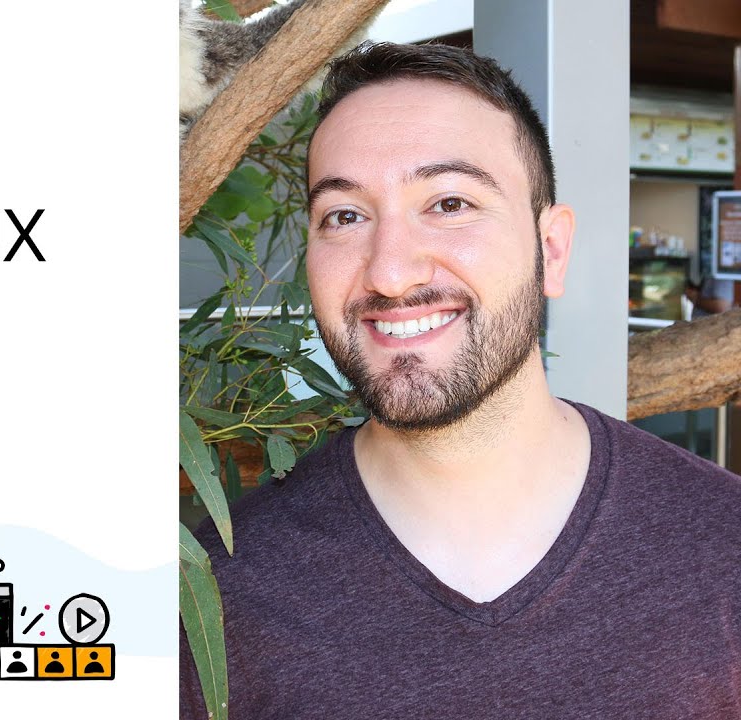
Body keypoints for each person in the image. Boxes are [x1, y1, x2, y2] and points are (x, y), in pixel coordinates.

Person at [180, 41, 741, 718]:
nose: (391, 273)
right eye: (345, 216)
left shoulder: (724, 545)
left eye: (449, 203)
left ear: (551, 250)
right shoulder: (214, 595)